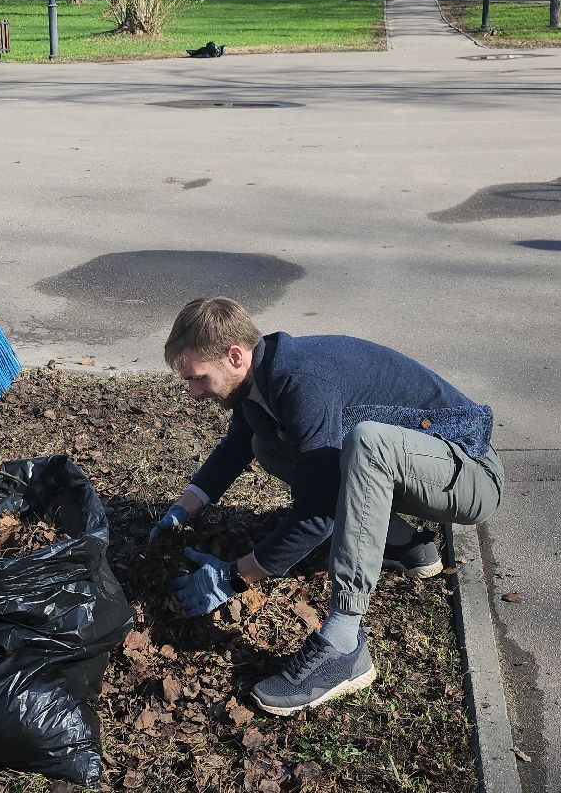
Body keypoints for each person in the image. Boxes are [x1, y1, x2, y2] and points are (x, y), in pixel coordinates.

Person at [146, 297, 503, 716]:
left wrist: (237, 576)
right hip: (423, 469)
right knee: (269, 444)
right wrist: (183, 508)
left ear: (234, 356)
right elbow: (238, 445)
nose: (193, 391)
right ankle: (406, 545)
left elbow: (322, 509)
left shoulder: (302, 381)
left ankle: (344, 645)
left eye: (198, 377)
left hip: (468, 474)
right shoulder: (259, 378)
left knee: (368, 444)